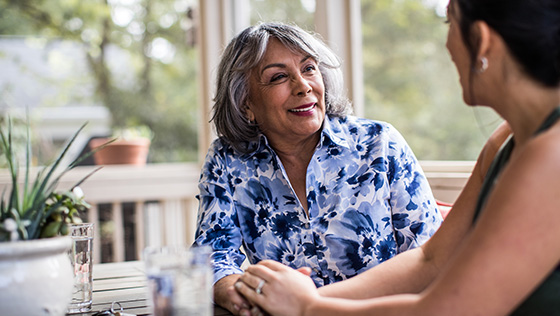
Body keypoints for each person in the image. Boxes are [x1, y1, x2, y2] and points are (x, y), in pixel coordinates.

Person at [234, 0, 560, 315]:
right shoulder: (503, 143)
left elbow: (445, 310)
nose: (446, 45)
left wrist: (308, 307)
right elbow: (430, 261)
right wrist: (293, 299)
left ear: (482, 40)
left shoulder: (550, 157)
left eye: (449, 23)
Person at [193, 22, 443, 315]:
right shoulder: (227, 159)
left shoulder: (380, 143)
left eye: (309, 68)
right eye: (278, 77)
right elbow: (211, 255)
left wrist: (311, 305)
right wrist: (238, 292)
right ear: (246, 103)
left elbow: (429, 255)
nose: (303, 86)